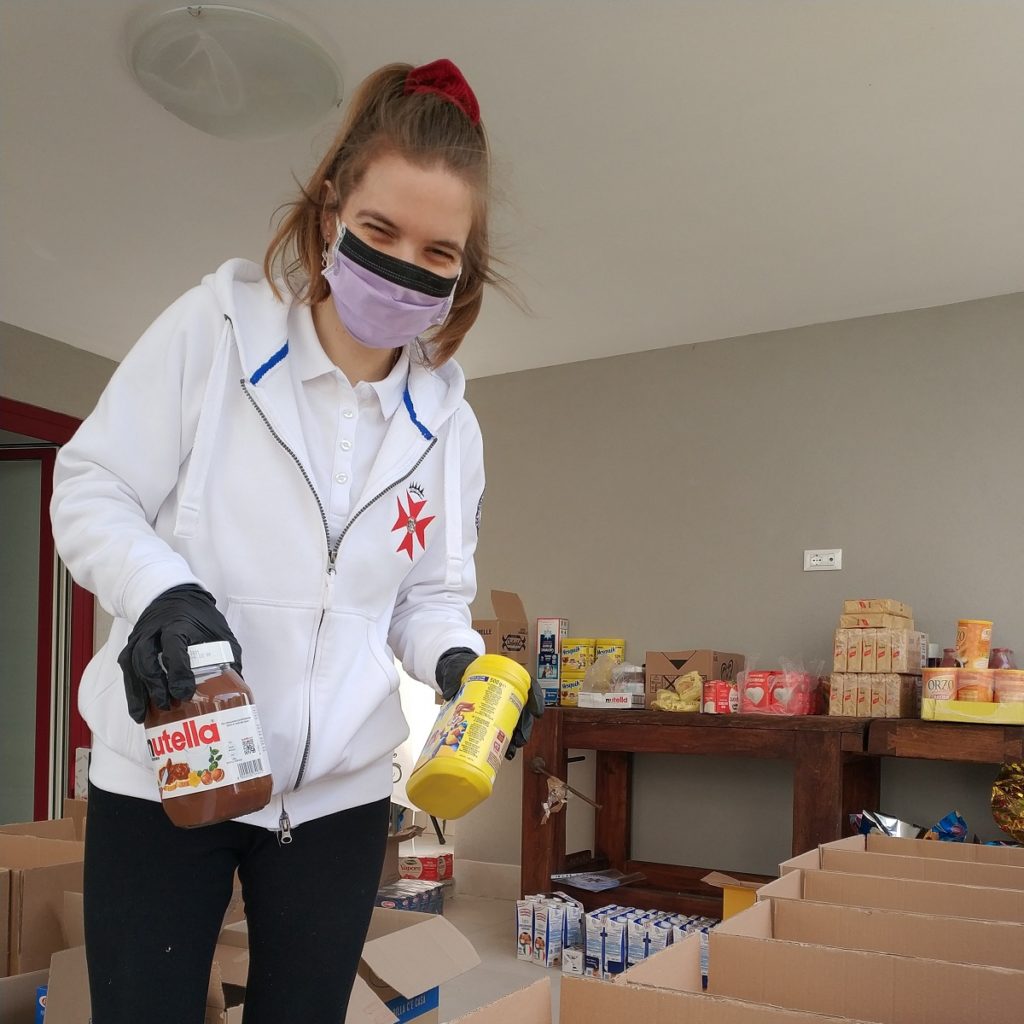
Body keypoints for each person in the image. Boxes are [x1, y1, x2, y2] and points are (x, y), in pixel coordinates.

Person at [50, 58, 542, 1024]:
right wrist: (159, 590)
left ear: (465, 270)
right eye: (380, 231)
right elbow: (93, 484)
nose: (404, 266)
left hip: (338, 801)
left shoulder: (449, 429)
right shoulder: (215, 336)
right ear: (330, 216)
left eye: (438, 251)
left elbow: (429, 596)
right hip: (173, 765)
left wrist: (454, 662)